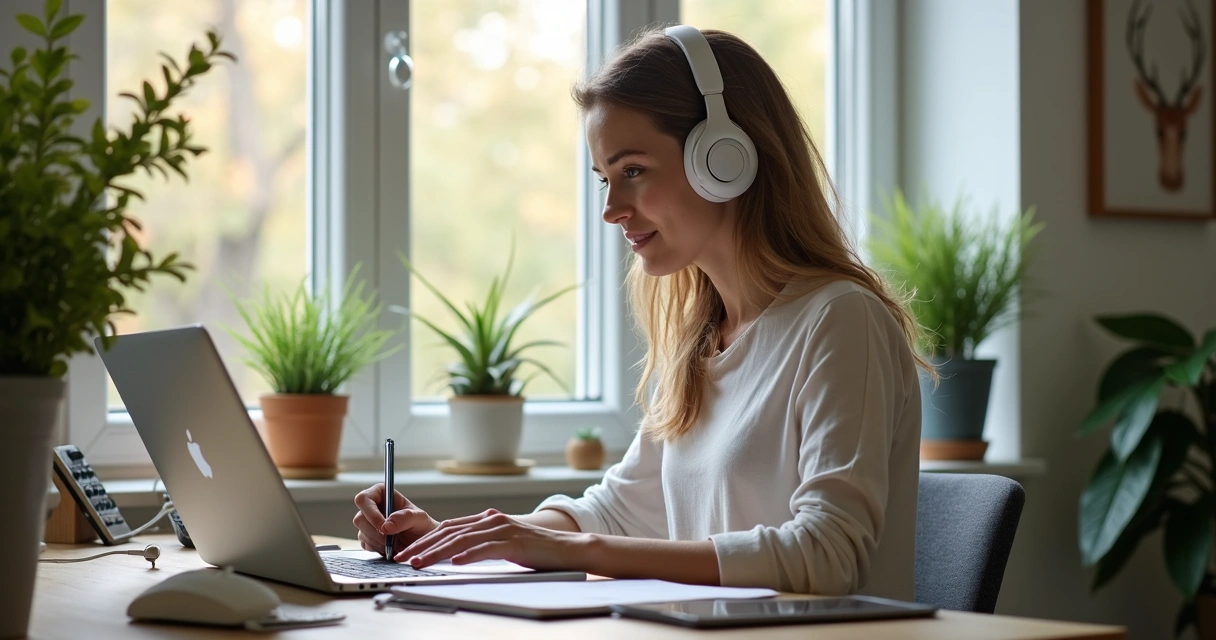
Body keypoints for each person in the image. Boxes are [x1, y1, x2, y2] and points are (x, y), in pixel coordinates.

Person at [352, 25, 928, 599]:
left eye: (632, 171)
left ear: (724, 158)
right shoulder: (699, 342)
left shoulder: (841, 321)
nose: (610, 209)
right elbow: (617, 512)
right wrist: (460, 540)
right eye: (605, 178)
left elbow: (828, 557)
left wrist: (576, 551)